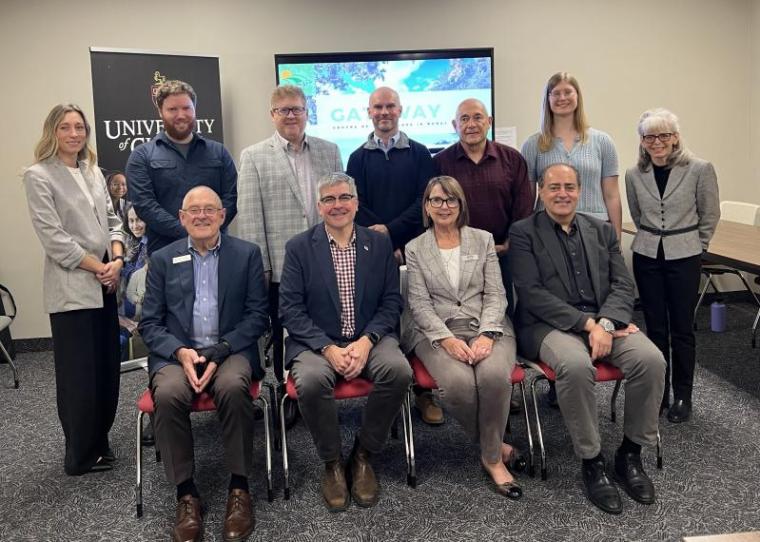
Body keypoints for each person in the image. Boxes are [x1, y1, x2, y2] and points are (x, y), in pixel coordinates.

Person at [510, 163, 666, 515]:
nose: (562, 193)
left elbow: (623, 283)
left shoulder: (602, 231)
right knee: (576, 365)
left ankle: (630, 453)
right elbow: (531, 293)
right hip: (548, 326)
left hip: (606, 322)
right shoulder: (523, 233)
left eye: (569, 186)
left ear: (580, 191)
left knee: (651, 360)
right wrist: (588, 325)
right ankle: (592, 460)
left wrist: (607, 322)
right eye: (554, 187)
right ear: (540, 190)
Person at [139, 186, 268, 542]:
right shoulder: (163, 259)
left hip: (230, 350)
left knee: (231, 386)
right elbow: (150, 323)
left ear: (222, 216)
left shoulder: (246, 255)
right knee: (166, 393)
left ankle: (239, 489)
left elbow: (258, 316)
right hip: (176, 354)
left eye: (209, 209)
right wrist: (181, 352)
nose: (201, 216)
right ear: (181, 218)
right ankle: (186, 493)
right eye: (193, 210)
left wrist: (222, 350)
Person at [279, 172, 412, 512]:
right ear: (319, 206)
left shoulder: (378, 243)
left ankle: (364, 454)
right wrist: (327, 347)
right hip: (317, 343)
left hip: (369, 337)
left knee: (398, 370)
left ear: (356, 203)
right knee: (309, 380)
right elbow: (290, 309)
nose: (337, 205)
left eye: (343, 198)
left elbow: (391, 303)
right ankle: (333, 462)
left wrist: (367, 341)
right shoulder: (298, 247)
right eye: (329, 199)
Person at [404, 175, 523, 500]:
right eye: (436, 200)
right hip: (437, 331)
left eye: (450, 199)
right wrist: (446, 339)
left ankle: (491, 458)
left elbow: (496, 294)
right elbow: (419, 303)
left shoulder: (482, 240)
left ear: (461, 204)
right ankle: (495, 449)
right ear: (426, 207)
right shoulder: (415, 248)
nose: (444, 206)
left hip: (488, 325)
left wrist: (486, 333)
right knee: (458, 385)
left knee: (494, 376)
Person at [23, 104, 125, 475]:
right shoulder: (38, 176)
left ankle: (99, 441)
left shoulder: (92, 171)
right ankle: (79, 454)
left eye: (80, 127)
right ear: (53, 132)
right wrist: (100, 267)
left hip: (105, 285)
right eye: (65, 127)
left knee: (105, 369)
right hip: (73, 289)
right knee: (79, 375)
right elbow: (55, 240)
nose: (74, 133)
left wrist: (116, 260)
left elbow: (114, 222)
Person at [237, 85, 342, 426]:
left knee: (329, 321)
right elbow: (251, 216)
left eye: (296, 109)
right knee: (284, 329)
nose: (291, 115)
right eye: (283, 110)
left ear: (307, 111)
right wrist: (261, 267)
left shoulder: (329, 150)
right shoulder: (253, 156)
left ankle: (326, 379)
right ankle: (286, 390)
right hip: (281, 266)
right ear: (272, 115)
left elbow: (341, 204)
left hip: (327, 260)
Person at [346, 86, 440, 424]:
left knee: (417, 316)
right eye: (377, 107)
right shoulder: (357, 157)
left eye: (390, 106)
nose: (384, 112)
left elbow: (424, 201)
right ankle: (389, 387)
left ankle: (424, 393)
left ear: (400, 110)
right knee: (383, 315)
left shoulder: (419, 153)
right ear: (368, 112)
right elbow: (356, 205)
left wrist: (394, 233)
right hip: (373, 250)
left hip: (414, 249)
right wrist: (383, 236)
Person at [625, 108, 720, 423]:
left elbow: (709, 213)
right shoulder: (634, 175)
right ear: (642, 141)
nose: (657, 142)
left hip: (685, 255)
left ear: (676, 137)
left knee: (681, 329)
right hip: (648, 255)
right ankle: (659, 393)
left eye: (664, 135)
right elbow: (638, 215)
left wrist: (699, 246)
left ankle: (683, 395)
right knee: (655, 327)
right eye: (650, 136)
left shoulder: (700, 169)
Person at [434, 98, 534, 315]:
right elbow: (433, 209)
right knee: (459, 317)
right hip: (455, 256)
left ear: (489, 121)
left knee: (501, 317)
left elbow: (524, 206)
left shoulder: (512, 159)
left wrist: (509, 243)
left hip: (501, 255)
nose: (471, 124)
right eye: (465, 118)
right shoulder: (439, 163)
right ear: (455, 125)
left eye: (478, 117)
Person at [126, 79, 237, 255]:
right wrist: (192, 232)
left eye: (186, 108)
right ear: (160, 112)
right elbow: (145, 206)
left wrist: (209, 230)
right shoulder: (141, 156)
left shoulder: (219, 153)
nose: (181, 115)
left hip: (216, 250)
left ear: (194, 109)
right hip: (166, 253)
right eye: (172, 109)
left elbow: (231, 198)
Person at [521, 72, 622, 238]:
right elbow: (527, 198)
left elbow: (612, 195)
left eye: (568, 92)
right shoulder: (532, 145)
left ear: (578, 96)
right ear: (548, 99)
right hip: (548, 231)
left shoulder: (603, 142)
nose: (562, 98)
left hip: (595, 229)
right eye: (556, 93)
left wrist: (616, 238)